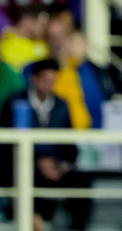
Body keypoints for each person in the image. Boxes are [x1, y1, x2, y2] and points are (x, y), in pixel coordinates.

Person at [0, 59, 92, 231]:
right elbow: (5, 146)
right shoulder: (14, 102)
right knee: (23, 175)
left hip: (54, 167)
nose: (49, 85)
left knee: (82, 180)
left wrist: (61, 166)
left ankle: (77, 227)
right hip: (21, 165)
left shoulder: (61, 105)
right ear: (34, 79)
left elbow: (70, 147)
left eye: (53, 80)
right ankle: (30, 218)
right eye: (45, 80)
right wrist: (37, 162)